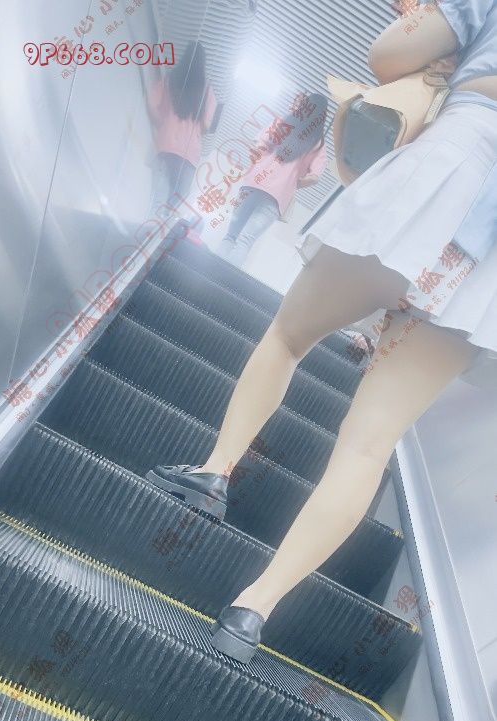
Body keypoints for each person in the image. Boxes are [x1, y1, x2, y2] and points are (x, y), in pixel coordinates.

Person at [147, 0, 497, 665]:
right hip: (487, 266)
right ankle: (254, 608)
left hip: (450, 169)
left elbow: (390, 55)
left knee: (288, 336)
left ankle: (215, 473)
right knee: (369, 444)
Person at [217, 96, 329, 265]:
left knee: (230, 236)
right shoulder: (318, 144)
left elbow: (258, 146)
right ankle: (222, 279)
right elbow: (314, 178)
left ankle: (210, 271)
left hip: (253, 184)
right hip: (276, 198)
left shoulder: (283, 122)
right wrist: (292, 184)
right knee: (246, 241)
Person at [146, 41, 218, 214]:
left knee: (157, 200)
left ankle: (148, 229)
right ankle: (161, 230)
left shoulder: (169, 79)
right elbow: (206, 126)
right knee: (174, 206)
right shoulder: (207, 91)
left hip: (166, 144)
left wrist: (163, 124)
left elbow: (151, 103)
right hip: (189, 154)